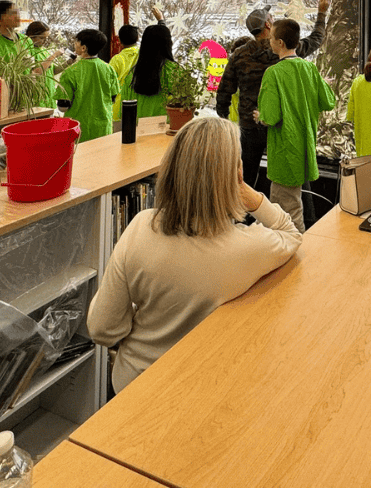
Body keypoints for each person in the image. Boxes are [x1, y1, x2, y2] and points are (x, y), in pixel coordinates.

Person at [87, 115, 301, 392]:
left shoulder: (141, 227)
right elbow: (291, 233)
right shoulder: (249, 247)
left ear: (171, 168)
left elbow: (102, 329)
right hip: (202, 387)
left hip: (134, 384)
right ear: (237, 175)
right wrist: (255, 199)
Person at [216, 0, 329, 189]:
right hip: (281, 124)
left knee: (246, 177)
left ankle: (243, 208)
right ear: (268, 25)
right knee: (295, 172)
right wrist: (321, 14)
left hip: (250, 125)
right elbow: (316, 39)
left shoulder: (239, 55)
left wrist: (224, 119)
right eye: (272, 18)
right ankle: (303, 208)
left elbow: (224, 91)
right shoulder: (282, 49)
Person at [254, 18, 335, 233]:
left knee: (286, 211)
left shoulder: (273, 73)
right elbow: (328, 101)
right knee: (293, 203)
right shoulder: (309, 68)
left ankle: (296, 250)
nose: (269, 42)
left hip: (284, 151)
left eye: (271, 38)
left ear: (280, 42)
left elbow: (271, 118)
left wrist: (260, 116)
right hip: (305, 148)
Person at [57, 28, 120, 143]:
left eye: (76, 41)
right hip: (103, 127)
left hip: (78, 129)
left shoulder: (70, 72)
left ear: (83, 48)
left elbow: (63, 107)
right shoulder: (109, 69)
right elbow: (112, 99)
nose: (74, 44)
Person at [120, 21, 177, 119]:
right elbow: (185, 107)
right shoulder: (175, 71)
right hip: (167, 127)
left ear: (144, 45)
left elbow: (124, 111)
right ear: (168, 44)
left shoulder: (132, 75)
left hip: (138, 128)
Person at [25, 21, 65, 108]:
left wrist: (67, 63)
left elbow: (52, 71)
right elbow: (37, 72)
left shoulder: (44, 50)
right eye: (42, 38)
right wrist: (54, 56)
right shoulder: (27, 51)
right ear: (31, 36)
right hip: (37, 99)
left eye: (46, 38)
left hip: (49, 97)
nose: (44, 41)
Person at [109, 24, 140, 122]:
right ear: (137, 38)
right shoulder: (145, 57)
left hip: (119, 108)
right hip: (140, 106)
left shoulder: (116, 60)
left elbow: (108, 85)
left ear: (119, 40)